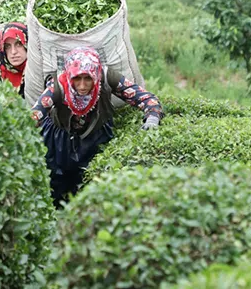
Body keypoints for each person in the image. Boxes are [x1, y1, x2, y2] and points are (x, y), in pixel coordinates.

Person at [30, 46, 162, 207]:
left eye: (88, 78)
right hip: (60, 138)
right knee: (55, 186)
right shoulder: (57, 86)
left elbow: (145, 97)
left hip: (96, 135)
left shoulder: (107, 77)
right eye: (77, 79)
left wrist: (152, 118)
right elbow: (36, 113)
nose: (83, 86)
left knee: (91, 187)